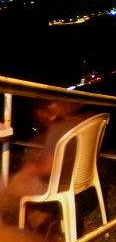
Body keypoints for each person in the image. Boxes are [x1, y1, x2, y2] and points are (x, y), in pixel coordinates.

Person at [0, 101, 91, 237]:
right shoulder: (84, 122)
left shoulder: (58, 130)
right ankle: (45, 225)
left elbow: (47, 167)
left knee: (5, 190)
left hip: (56, 184)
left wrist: (31, 169)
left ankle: (19, 233)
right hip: (78, 180)